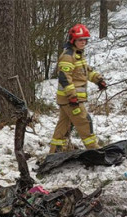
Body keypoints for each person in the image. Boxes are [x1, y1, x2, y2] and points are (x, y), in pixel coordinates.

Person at [49, 23, 106, 154]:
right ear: (73, 40)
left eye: (85, 40)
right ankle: (95, 152)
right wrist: (72, 96)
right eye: (80, 40)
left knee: (63, 127)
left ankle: (54, 154)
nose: (83, 42)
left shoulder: (78, 54)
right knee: (85, 122)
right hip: (71, 100)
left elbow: (86, 72)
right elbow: (64, 78)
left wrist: (99, 80)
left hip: (68, 100)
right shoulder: (68, 56)